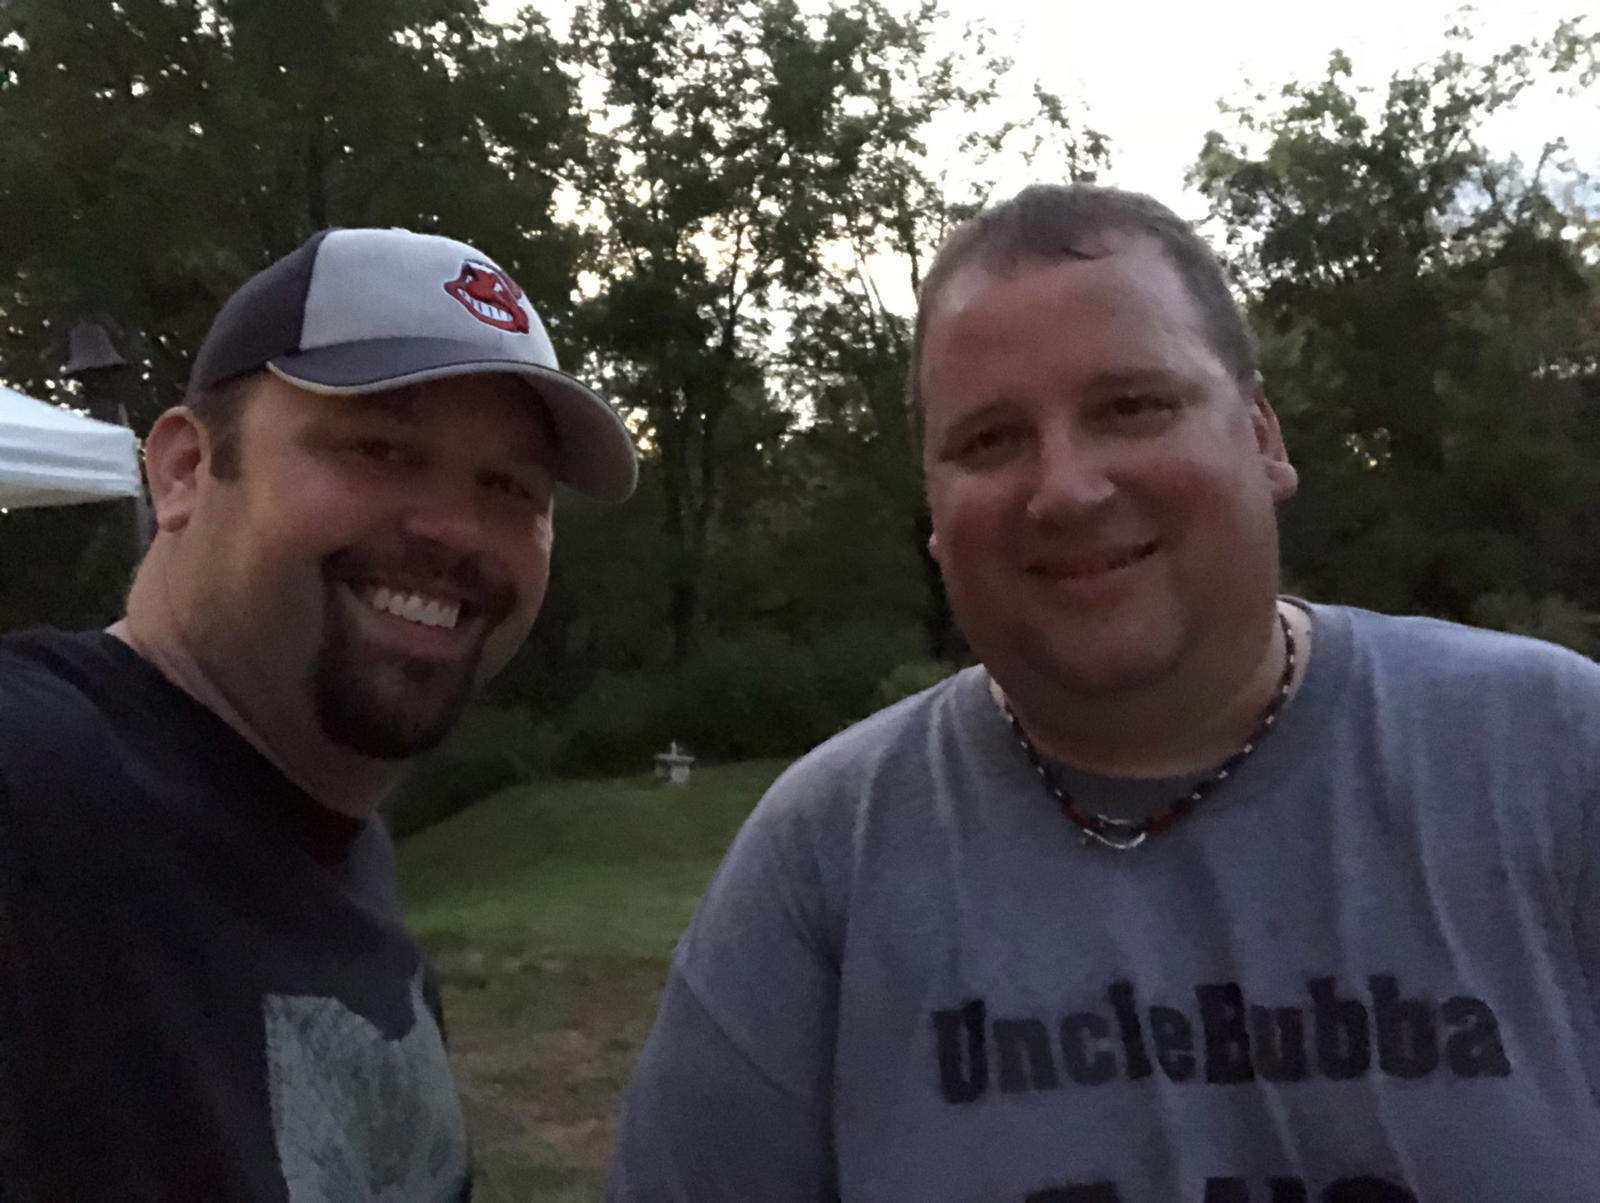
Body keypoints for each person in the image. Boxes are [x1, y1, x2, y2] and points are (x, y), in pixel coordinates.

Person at [608, 184, 1600, 1202]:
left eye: (1131, 407)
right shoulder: (826, 859)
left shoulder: (1557, 757)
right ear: (935, 515)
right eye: (990, 439)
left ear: (1262, 435)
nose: (1067, 489)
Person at [0, 227, 636, 1201]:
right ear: (183, 469)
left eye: (509, 487)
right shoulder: (32, 783)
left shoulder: (339, 858)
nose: (457, 529)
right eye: (383, 449)